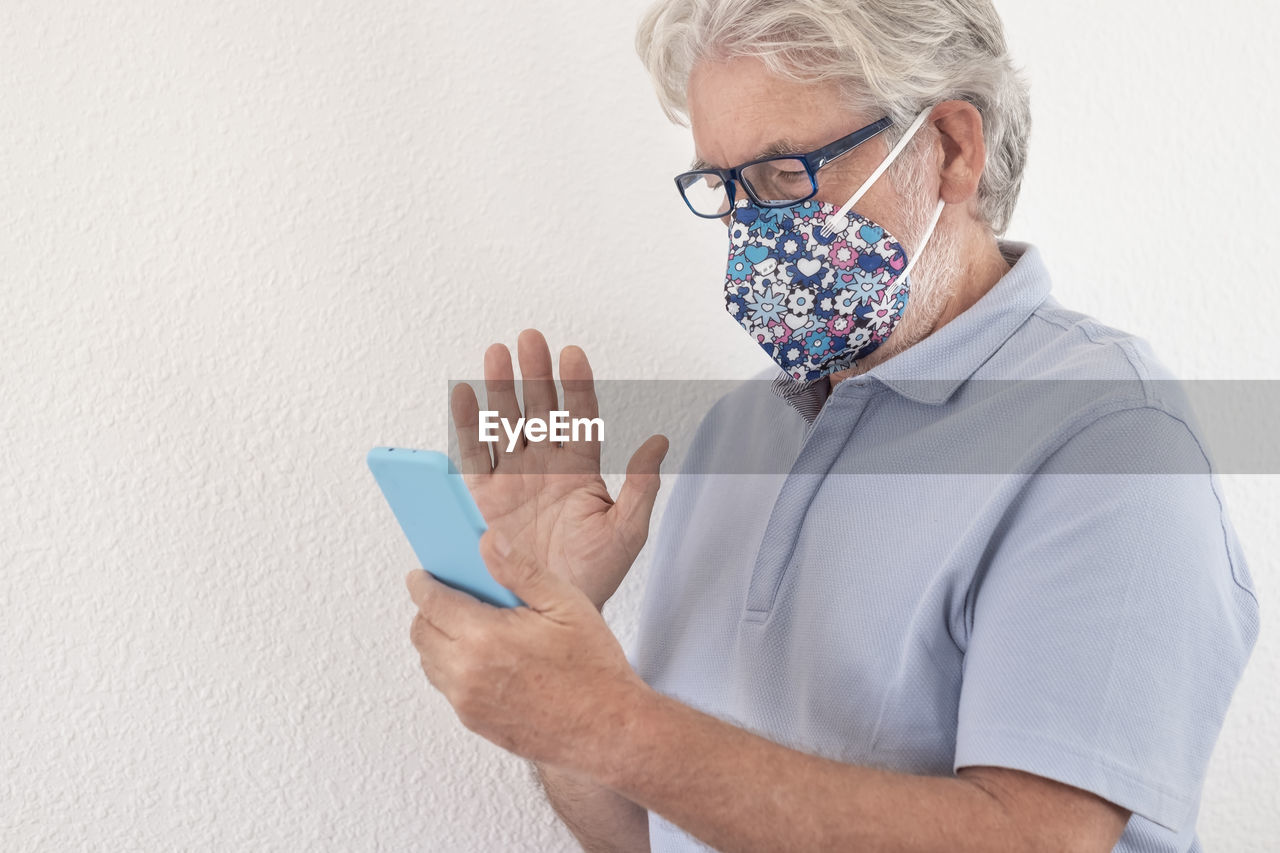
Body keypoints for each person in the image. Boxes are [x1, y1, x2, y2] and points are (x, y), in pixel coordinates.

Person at [404, 1, 1260, 850]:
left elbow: (1038, 840)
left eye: (787, 175)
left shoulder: (1112, 441)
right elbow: (656, 834)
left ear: (952, 148)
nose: (755, 235)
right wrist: (564, 650)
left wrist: (614, 723)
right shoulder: (737, 433)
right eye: (727, 189)